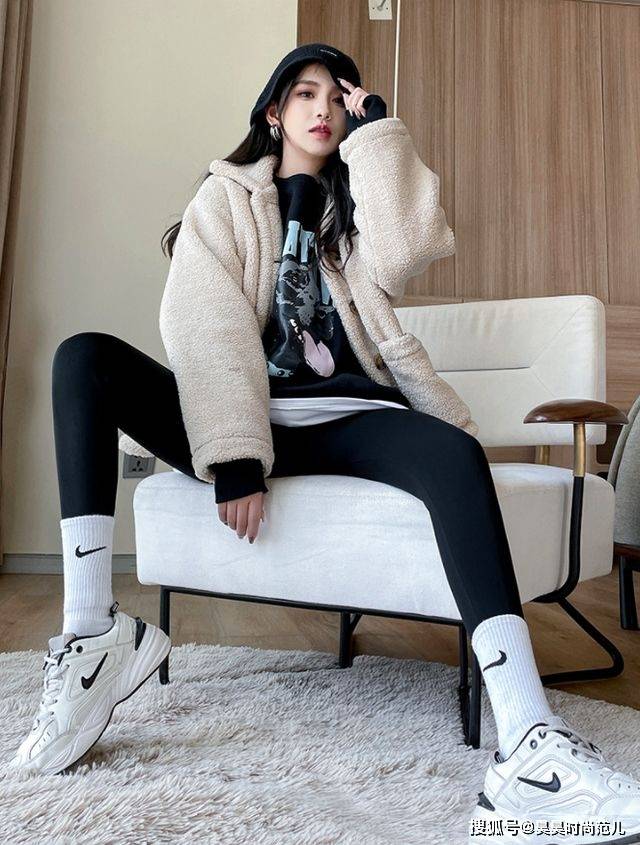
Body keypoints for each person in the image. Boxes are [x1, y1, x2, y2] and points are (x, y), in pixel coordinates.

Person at [11, 41, 640, 842]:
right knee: (83, 359)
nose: (323, 108)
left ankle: (526, 743)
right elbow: (204, 322)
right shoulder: (224, 199)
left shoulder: (356, 204)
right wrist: (237, 456)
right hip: (250, 416)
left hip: (347, 416)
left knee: (453, 454)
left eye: (337, 99)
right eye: (305, 94)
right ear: (274, 112)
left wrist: (376, 134)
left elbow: (410, 248)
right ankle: (92, 634)